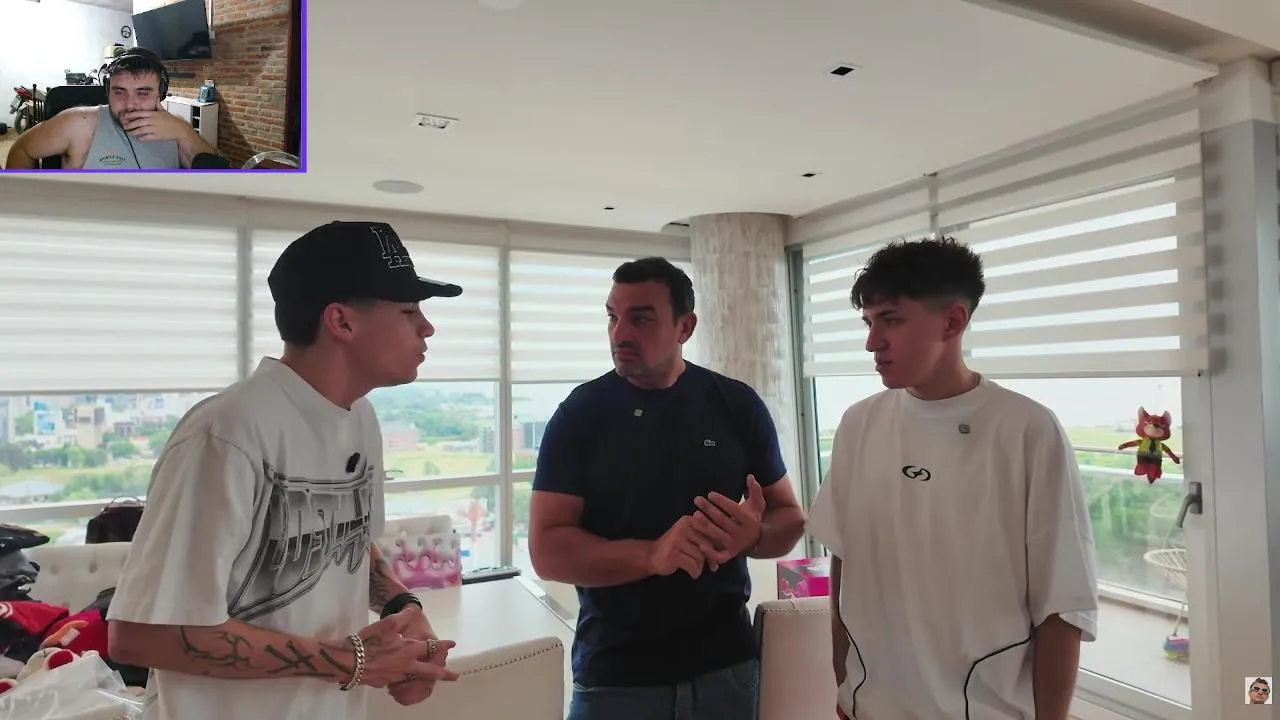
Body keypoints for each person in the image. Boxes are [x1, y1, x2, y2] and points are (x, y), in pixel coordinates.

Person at [105, 221, 463, 720]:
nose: (426, 327)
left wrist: (401, 609)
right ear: (341, 322)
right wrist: (351, 661)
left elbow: (346, 540)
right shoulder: (226, 431)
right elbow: (141, 635)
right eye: (408, 311)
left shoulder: (360, 417)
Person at [807, 236, 1099, 720]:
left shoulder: (1026, 430)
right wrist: (843, 680)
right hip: (865, 707)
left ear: (953, 321)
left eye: (891, 320)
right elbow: (843, 558)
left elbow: (1062, 605)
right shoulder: (859, 424)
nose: (872, 342)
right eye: (869, 322)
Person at [529, 256, 808, 720]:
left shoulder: (736, 405)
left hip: (728, 672)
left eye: (640, 318)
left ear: (685, 327)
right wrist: (651, 555)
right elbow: (547, 550)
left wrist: (755, 536)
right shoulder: (581, 414)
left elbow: (790, 518)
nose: (620, 333)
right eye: (612, 317)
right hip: (616, 679)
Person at [4, 47, 224, 170]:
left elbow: (216, 177)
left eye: (143, 92)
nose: (130, 104)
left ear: (161, 94)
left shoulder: (176, 129)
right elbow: (22, 149)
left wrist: (184, 132)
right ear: (108, 91)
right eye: (119, 92)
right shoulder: (79, 123)